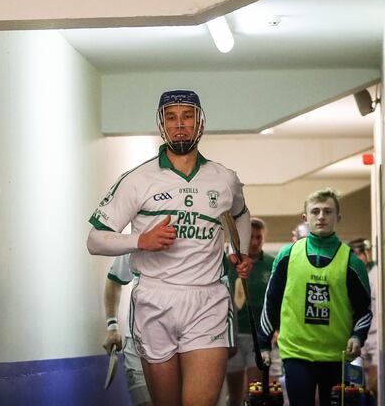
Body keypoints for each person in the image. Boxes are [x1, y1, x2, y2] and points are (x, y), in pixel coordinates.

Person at [87, 89, 252, 406]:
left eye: (187, 117)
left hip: (207, 300)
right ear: (161, 125)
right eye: (171, 117)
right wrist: (141, 241)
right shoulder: (137, 179)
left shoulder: (225, 179)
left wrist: (240, 253)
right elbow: (95, 239)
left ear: (200, 123)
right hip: (155, 299)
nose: (180, 125)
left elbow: (242, 215)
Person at [259, 188, 372, 406]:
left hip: (338, 357)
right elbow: (270, 303)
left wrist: (358, 336)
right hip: (296, 354)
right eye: (316, 211)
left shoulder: (352, 263)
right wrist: (263, 344)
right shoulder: (287, 256)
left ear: (338, 217)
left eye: (328, 211)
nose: (321, 216)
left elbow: (364, 311)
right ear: (305, 218)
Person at [226, 218, 275, 406]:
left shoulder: (271, 264)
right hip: (233, 337)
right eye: (251, 237)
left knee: (254, 393)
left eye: (258, 237)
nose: (254, 242)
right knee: (235, 397)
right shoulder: (229, 262)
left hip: (259, 338)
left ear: (264, 238)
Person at [103, 255, 152, 406]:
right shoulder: (133, 242)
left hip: (178, 345)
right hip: (137, 344)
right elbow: (114, 281)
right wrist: (112, 328)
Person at [349, 237, 378, 394]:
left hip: (376, 337)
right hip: (355, 337)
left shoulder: (377, 273)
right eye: (355, 254)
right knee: (354, 386)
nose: (359, 257)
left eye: (361, 253)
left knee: (375, 383)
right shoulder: (351, 274)